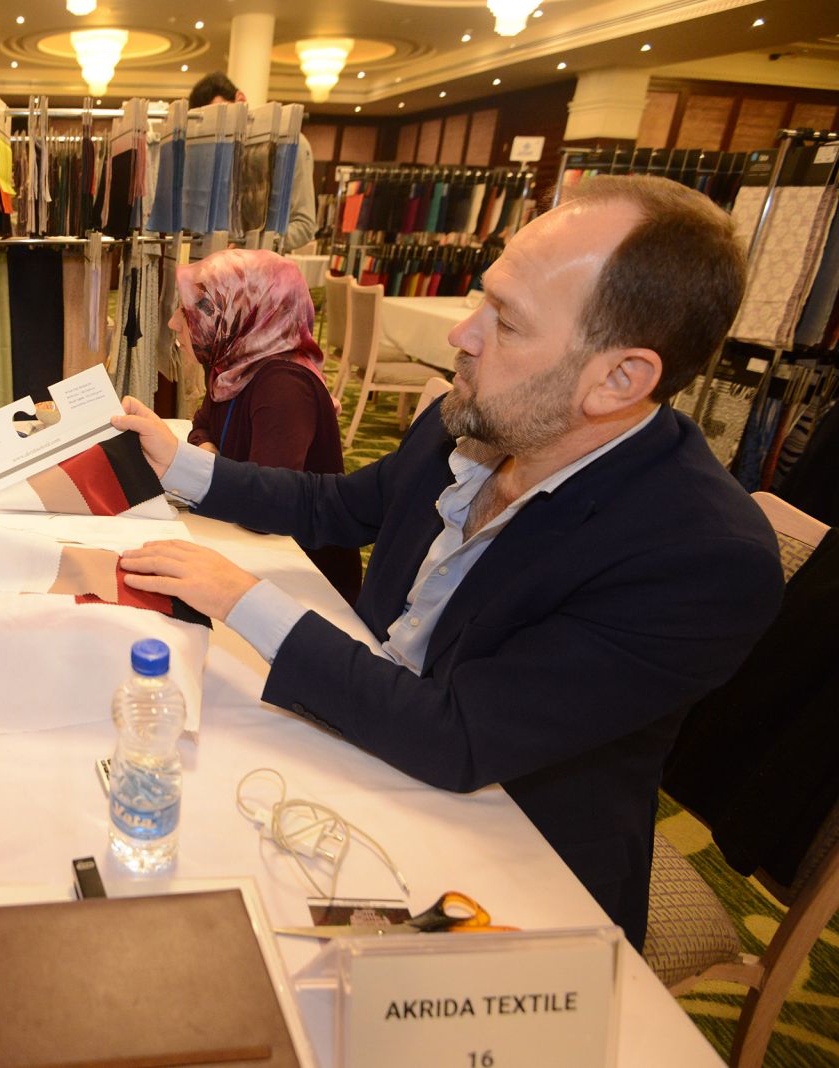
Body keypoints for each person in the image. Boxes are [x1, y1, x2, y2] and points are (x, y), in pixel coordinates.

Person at [112, 175, 784, 949]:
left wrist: (243, 598)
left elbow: (458, 735)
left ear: (619, 379)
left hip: (508, 865)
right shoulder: (479, 418)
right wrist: (183, 466)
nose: (463, 334)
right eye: (480, 300)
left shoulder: (698, 556)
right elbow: (342, 504)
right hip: (359, 750)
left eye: (507, 320)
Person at [177, 248, 361, 603]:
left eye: (191, 312)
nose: (175, 323)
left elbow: (263, 511)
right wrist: (210, 454)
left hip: (305, 583)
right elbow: (200, 426)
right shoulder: (234, 365)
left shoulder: (283, 387)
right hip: (256, 551)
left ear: (241, 314)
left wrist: (211, 465)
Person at [189, 72, 317, 252]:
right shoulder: (220, 148)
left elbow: (304, 224)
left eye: (224, 116)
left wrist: (251, 245)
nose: (222, 128)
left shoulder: (290, 143)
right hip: (215, 258)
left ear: (240, 99)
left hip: (262, 264)